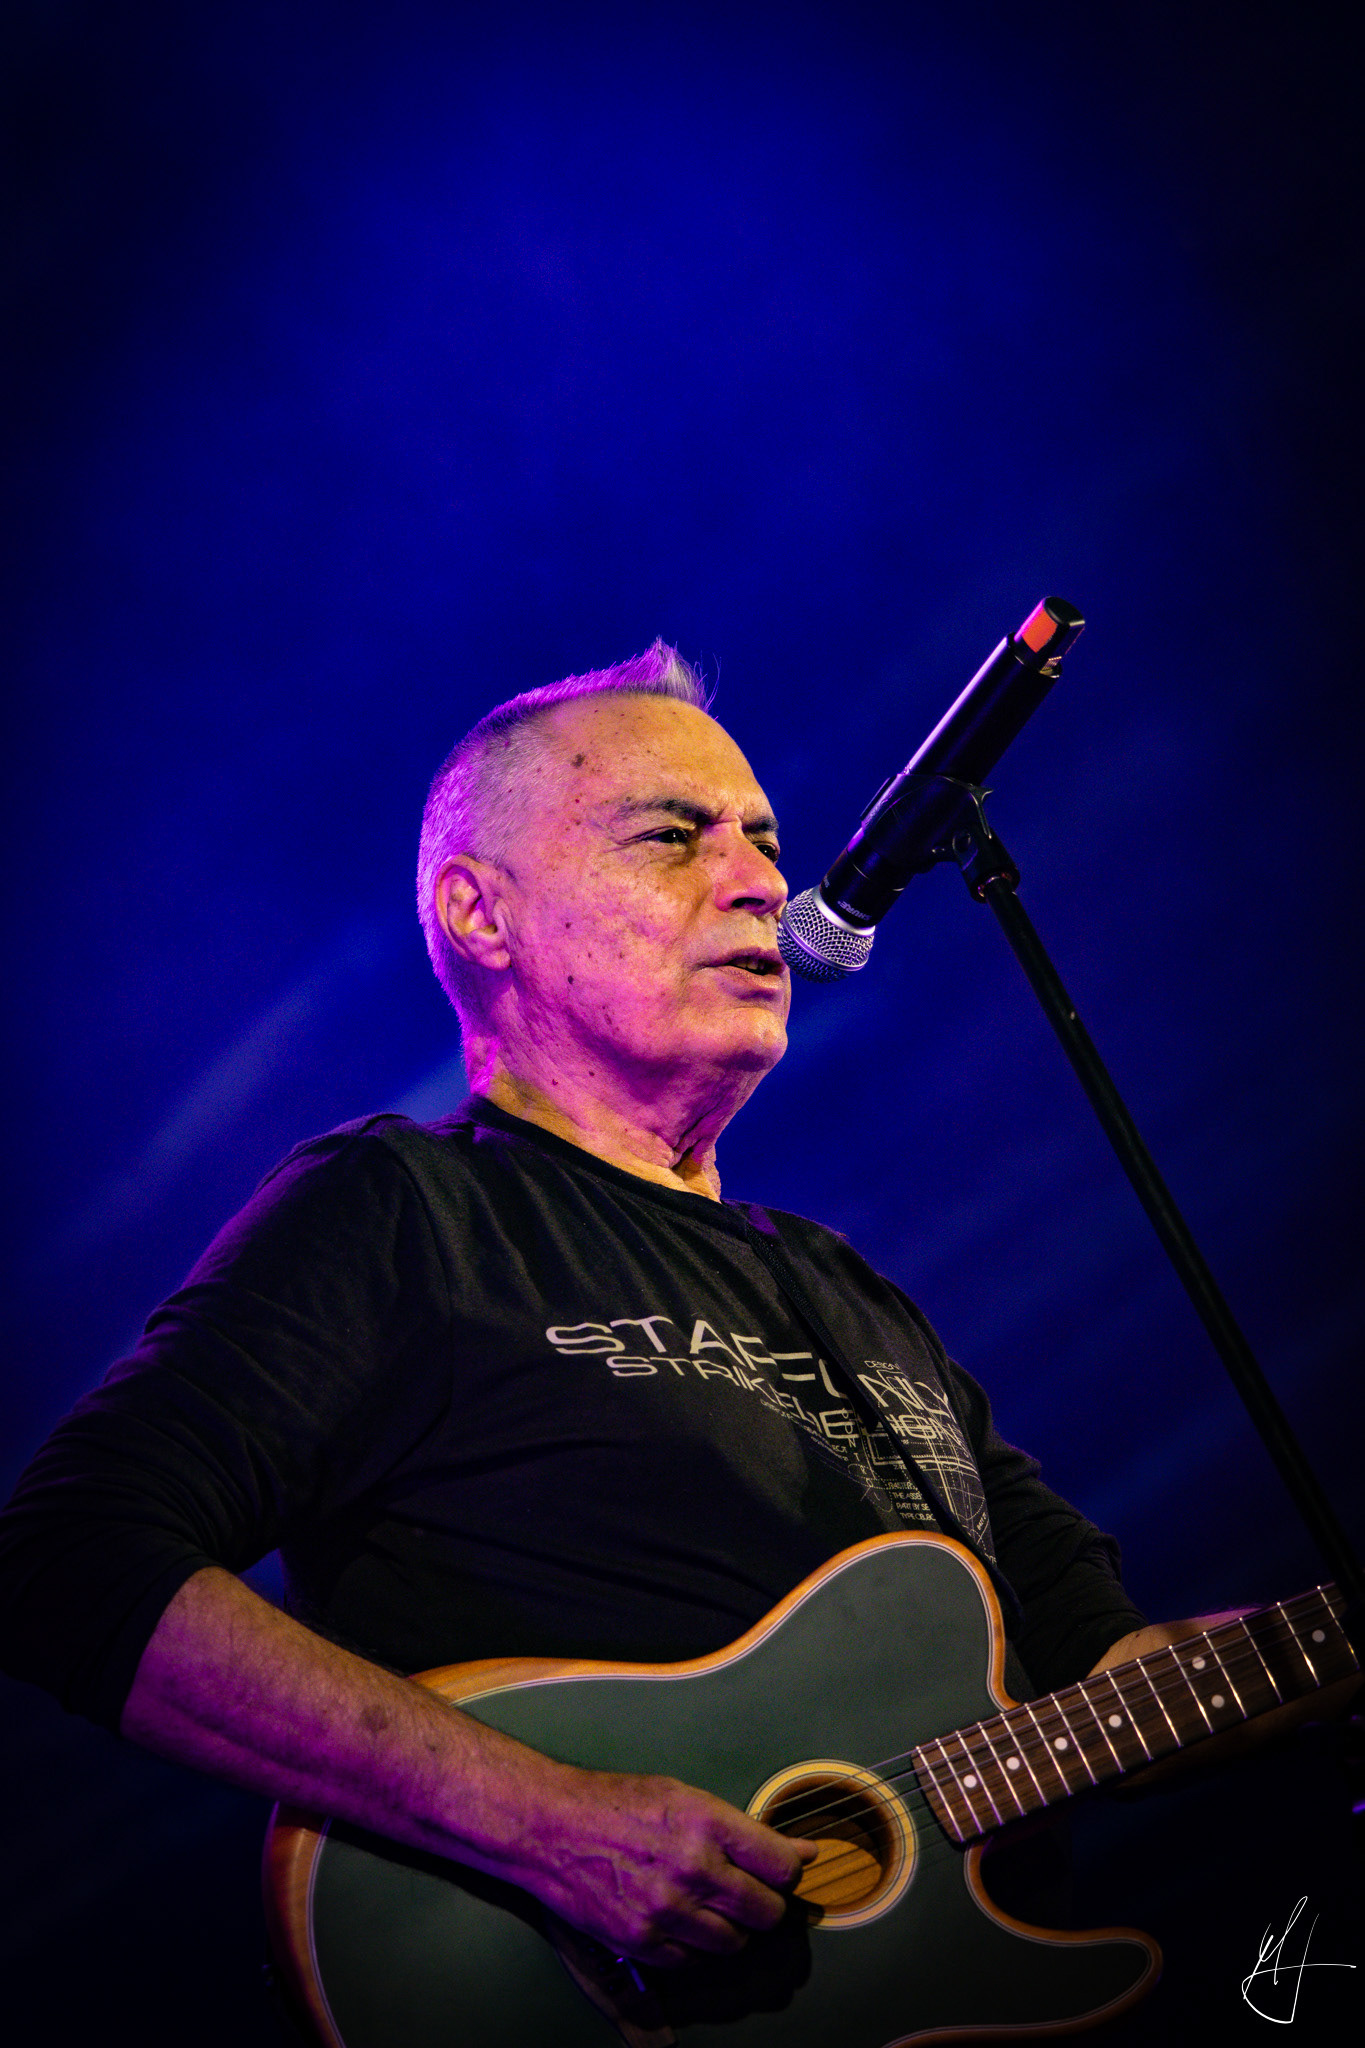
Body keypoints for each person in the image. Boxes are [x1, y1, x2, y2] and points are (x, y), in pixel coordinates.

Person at [0, 642, 1342, 1979]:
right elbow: (70, 1556)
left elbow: (1112, 1679)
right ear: (481, 915)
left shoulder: (853, 1298)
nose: (759, 883)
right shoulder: (408, 1209)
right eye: (671, 837)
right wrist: (546, 1827)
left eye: (764, 842)